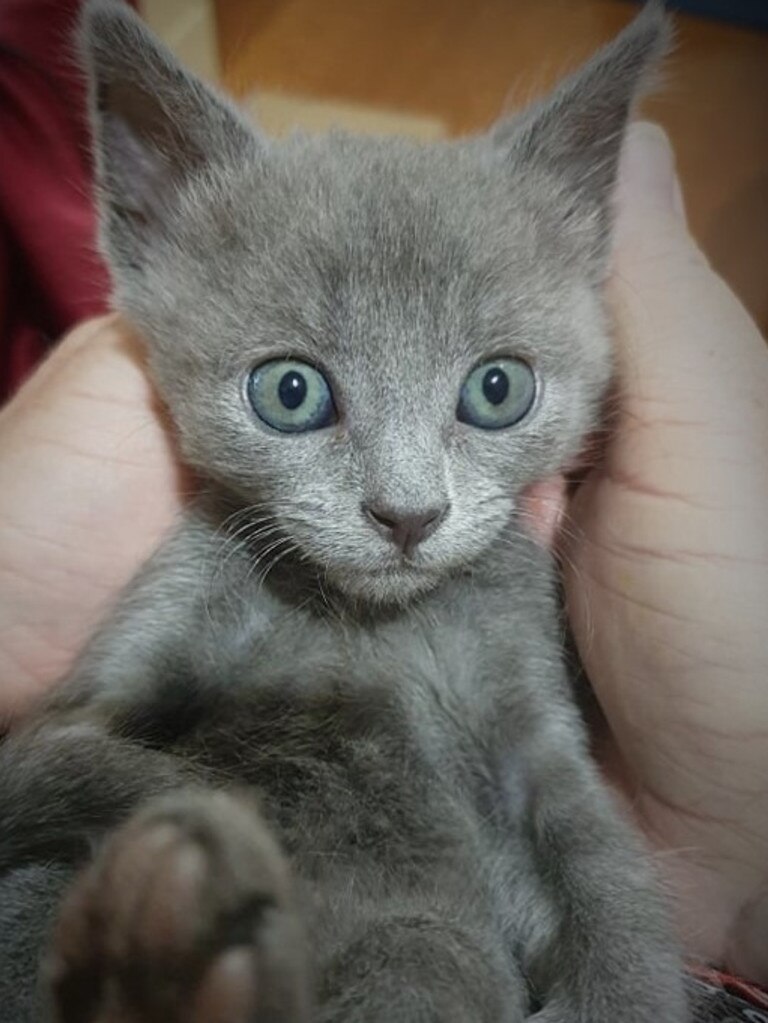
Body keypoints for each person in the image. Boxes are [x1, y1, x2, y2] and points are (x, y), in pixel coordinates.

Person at [0, 122, 766, 996]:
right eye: (294, 394)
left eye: (494, 391)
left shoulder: (512, 578)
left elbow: (548, 814)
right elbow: (47, 770)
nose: (410, 500)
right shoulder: (218, 546)